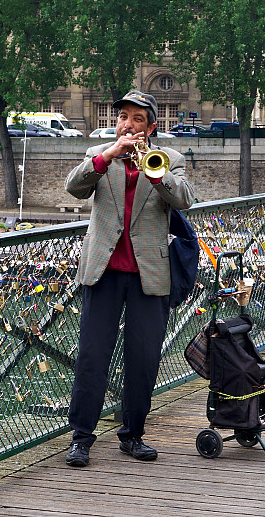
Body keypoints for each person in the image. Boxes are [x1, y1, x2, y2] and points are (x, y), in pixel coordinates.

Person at [64, 90, 195, 467]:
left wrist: (156, 173)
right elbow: (74, 188)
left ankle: (132, 435)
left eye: (137, 118)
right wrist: (107, 156)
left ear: (151, 127)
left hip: (149, 273)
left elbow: (184, 199)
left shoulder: (170, 159)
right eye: (123, 116)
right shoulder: (99, 155)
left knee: (143, 359)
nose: (128, 123)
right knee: (92, 356)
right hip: (103, 272)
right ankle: (82, 437)